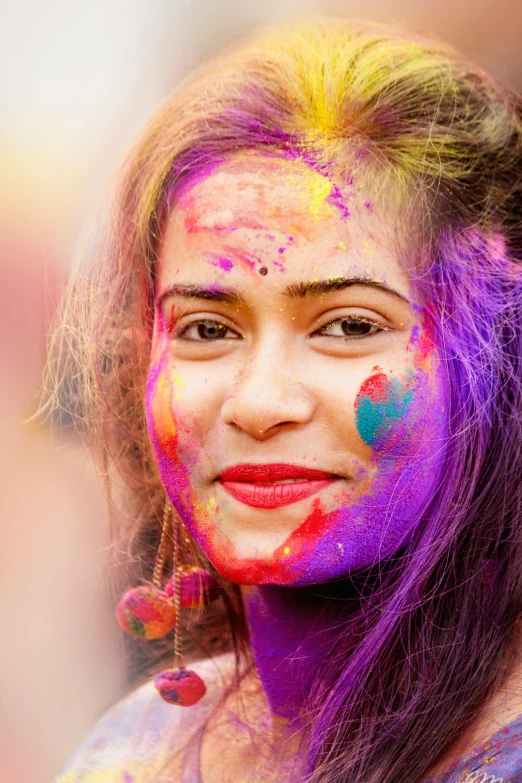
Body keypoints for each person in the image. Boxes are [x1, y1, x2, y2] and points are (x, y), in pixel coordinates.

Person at [44, 17, 522, 783]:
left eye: (347, 325)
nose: (259, 401)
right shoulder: (129, 756)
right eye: (206, 327)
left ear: (496, 352)